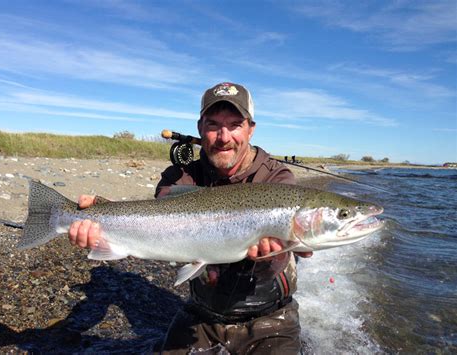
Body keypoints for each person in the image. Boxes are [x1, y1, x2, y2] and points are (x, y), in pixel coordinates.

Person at [68, 82, 312, 354]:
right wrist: (101, 219)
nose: (224, 137)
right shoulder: (179, 178)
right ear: (199, 127)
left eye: (234, 125)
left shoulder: (278, 181)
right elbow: (158, 229)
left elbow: (297, 252)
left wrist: (270, 258)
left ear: (250, 129)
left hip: (271, 319)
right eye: (213, 125)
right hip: (201, 317)